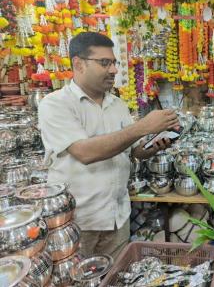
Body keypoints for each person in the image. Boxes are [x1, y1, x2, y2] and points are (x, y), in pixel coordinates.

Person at [38, 32, 179, 258]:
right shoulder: (55, 104)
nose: (114, 70)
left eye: (114, 63)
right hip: (78, 222)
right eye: (104, 63)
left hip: (117, 217)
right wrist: (143, 126)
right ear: (78, 64)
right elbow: (85, 152)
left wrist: (153, 145)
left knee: (115, 277)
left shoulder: (118, 105)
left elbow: (133, 151)